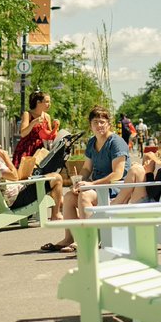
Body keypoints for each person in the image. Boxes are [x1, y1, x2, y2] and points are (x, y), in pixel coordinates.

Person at [40, 106, 129, 253]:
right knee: (69, 196)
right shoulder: (92, 142)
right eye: (95, 122)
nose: (99, 125)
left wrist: (91, 184)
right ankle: (70, 237)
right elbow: (87, 168)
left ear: (109, 124)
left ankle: (89, 239)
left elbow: (117, 174)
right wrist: (79, 182)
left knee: (85, 195)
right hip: (98, 187)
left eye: (102, 121)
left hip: (115, 189)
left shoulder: (115, 142)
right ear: (90, 125)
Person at [0, 133, 65, 219]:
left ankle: (67, 206)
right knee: (57, 178)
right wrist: (6, 158)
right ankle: (56, 214)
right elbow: (14, 177)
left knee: (58, 195)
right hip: (16, 198)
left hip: (13, 195)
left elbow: (12, 177)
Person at [112, 130, 161, 204]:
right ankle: (119, 202)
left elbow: (152, 192)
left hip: (153, 205)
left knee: (135, 169)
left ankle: (116, 203)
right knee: (137, 169)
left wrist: (149, 172)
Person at [13, 91, 60, 169]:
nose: (49, 104)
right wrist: (33, 122)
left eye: (49, 102)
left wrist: (56, 127)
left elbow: (50, 136)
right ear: (38, 102)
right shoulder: (27, 114)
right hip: (27, 149)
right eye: (47, 102)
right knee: (25, 174)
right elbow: (23, 133)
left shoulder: (47, 116)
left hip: (41, 150)